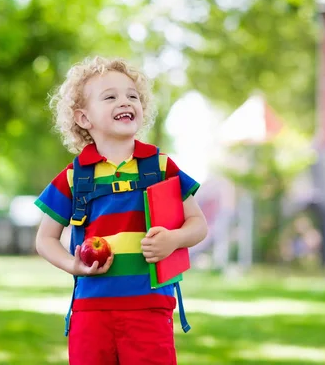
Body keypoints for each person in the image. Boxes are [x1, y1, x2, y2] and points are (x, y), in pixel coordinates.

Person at [34, 56, 208, 365]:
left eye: (132, 96)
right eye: (110, 96)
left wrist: (173, 239)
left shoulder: (161, 166)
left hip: (150, 307)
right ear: (84, 118)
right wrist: (73, 265)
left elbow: (198, 224)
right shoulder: (76, 177)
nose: (125, 101)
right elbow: (45, 239)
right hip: (91, 310)